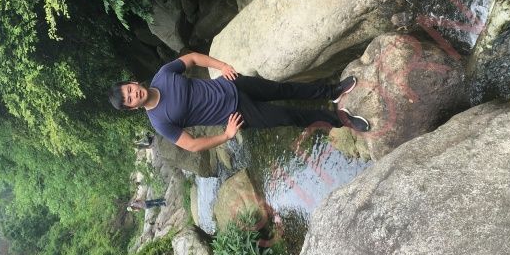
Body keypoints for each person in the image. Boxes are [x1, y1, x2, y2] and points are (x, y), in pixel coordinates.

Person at [108, 52, 369, 152]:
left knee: (283, 88)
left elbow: (192, 59)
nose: (133, 94)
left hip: (234, 84)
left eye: (129, 89)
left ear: (133, 82)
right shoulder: (159, 121)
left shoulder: (163, 75)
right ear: (131, 108)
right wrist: (226, 135)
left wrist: (221, 66)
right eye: (129, 100)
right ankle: (341, 119)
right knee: (289, 116)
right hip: (237, 114)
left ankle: (332, 91)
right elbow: (192, 145)